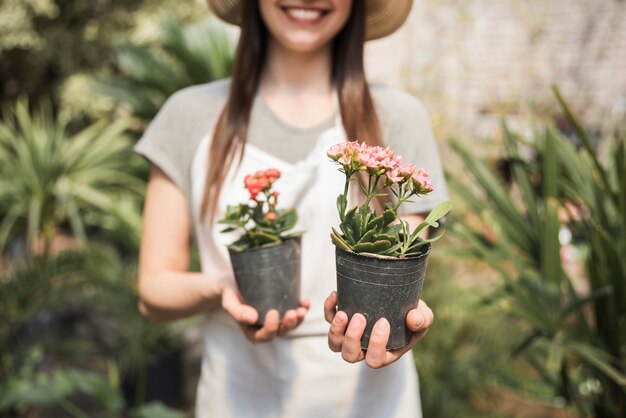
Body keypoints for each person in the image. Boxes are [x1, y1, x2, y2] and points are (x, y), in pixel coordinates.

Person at [135, 0, 449, 416]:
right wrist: (222, 288)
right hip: (238, 396)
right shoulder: (189, 114)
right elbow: (153, 291)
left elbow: (404, 262)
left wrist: (403, 316)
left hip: (370, 400)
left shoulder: (398, 117)